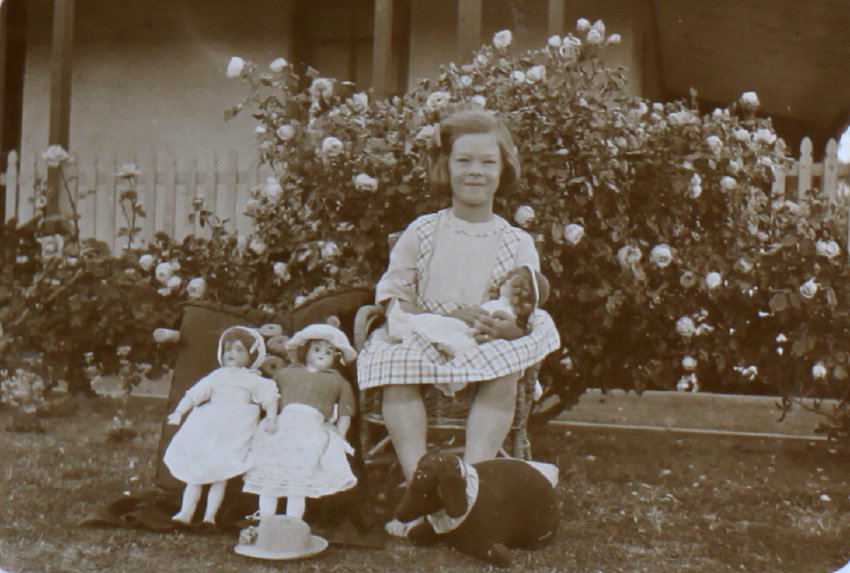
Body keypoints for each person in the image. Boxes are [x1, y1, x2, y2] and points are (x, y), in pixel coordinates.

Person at [356, 109, 561, 531]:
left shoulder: (516, 241)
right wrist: (424, 318)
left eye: (487, 162)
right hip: (425, 334)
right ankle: (421, 485)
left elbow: (526, 310)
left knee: (506, 365)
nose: (475, 172)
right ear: (446, 168)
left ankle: (472, 484)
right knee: (394, 364)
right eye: (463, 161)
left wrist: (508, 329)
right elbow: (395, 293)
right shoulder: (423, 231)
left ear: (503, 171)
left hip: (483, 342)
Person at [164, 326, 279, 526]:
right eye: (228, 350)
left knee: (221, 473)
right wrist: (179, 412)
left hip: (234, 430)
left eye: (239, 350)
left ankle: (210, 516)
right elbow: (195, 394)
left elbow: (269, 399)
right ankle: (185, 512)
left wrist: (271, 418)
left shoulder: (254, 380)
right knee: (196, 471)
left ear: (252, 355)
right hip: (208, 425)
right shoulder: (217, 376)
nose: (231, 354)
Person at [242, 323, 358, 520]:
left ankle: (292, 523)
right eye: (317, 349)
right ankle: (266, 519)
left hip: (311, 429)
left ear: (336, 359)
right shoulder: (286, 374)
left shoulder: (338, 381)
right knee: (270, 473)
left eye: (329, 352)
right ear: (305, 351)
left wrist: (340, 436)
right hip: (281, 426)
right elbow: (270, 397)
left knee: (299, 480)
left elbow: (345, 413)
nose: (322, 354)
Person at [386, 264, 551, 396]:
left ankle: (410, 327)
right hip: (468, 329)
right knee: (440, 323)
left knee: (445, 328)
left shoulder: (505, 311)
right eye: (507, 280)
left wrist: (513, 332)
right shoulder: (497, 303)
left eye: (511, 282)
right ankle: (408, 325)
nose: (505, 283)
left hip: (478, 338)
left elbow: (528, 328)